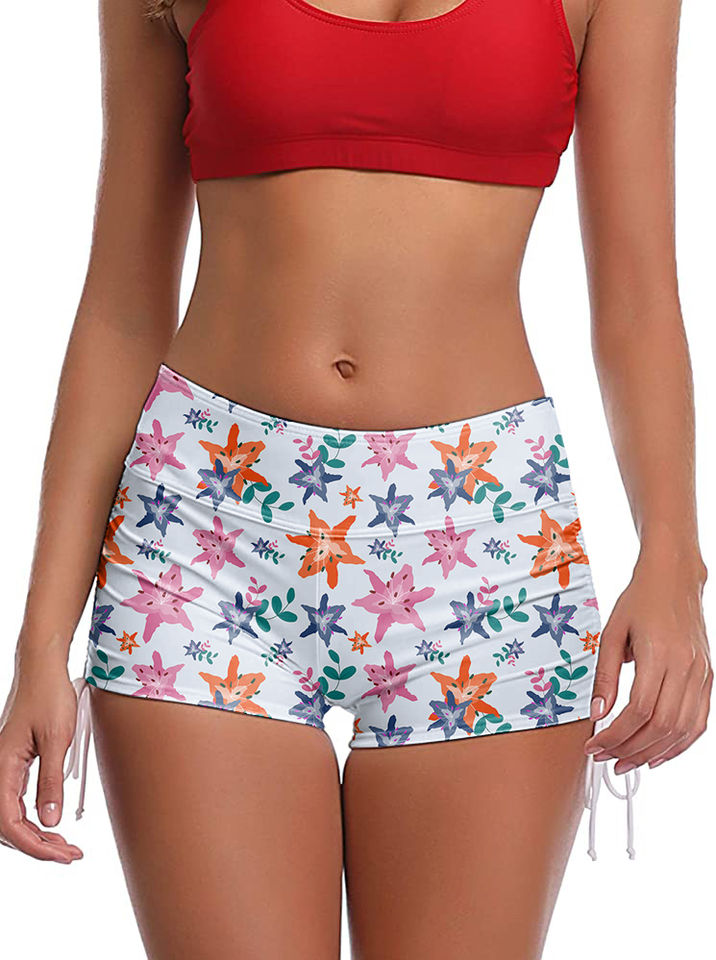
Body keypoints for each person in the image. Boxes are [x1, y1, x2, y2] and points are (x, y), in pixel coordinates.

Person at [0, 1, 711, 958]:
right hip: (203, 538)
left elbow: (637, 299)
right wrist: (41, 640)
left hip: (483, 544)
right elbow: (123, 303)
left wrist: (672, 558)